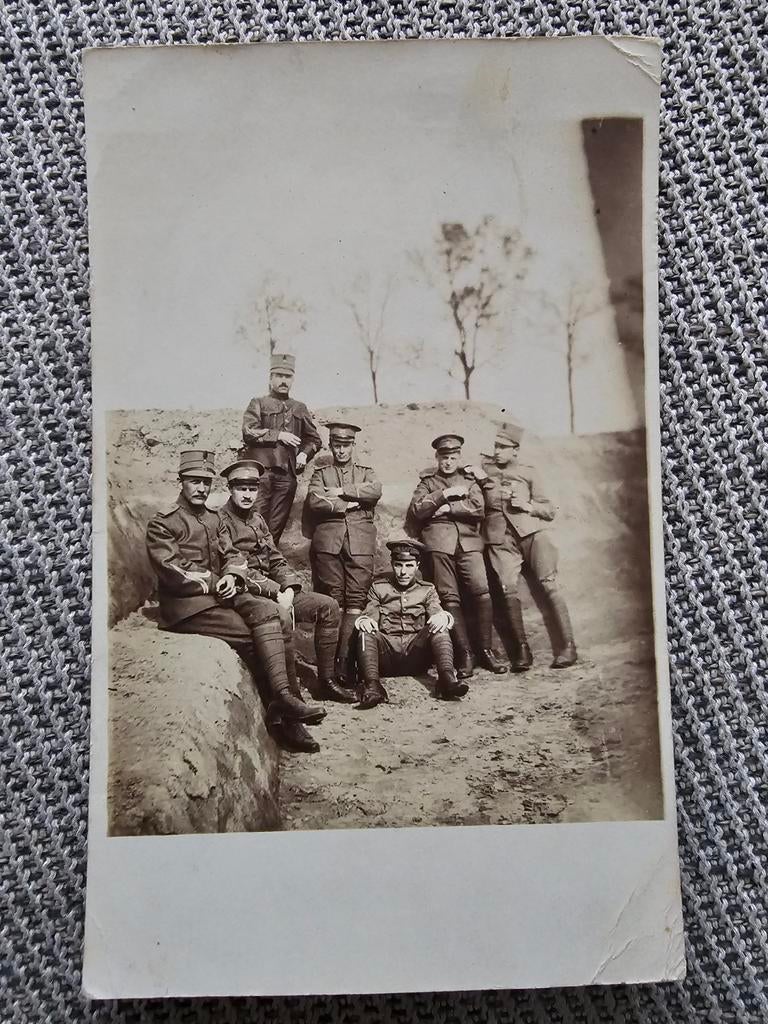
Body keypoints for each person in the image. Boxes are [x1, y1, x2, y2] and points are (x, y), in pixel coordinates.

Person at [145, 449, 326, 754]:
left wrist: (233, 576)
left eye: (205, 481)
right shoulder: (164, 523)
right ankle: (285, 713)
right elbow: (174, 570)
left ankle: (287, 700)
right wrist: (219, 581)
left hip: (220, 596)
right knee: (258, 636)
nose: (201, 488)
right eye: (194, 481)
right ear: (181, 482)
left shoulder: (214, 520)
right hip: (188, 608)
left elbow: (233, 555)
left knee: (273, 613)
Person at [217, 457, 352, 707]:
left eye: (252, 489)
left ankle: (327, 681)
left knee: (329, 606)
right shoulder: (220, 522)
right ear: (230, 489)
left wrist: (289, 586)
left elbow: (276, 559)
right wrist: (276, 591)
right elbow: (235, 566)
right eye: (241, 489)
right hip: (249, 592)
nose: (247, 495)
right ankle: (291, 695)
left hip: (276, 589)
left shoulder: (258, 519)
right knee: (279, 616)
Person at [407, 433, 508, 677]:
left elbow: (479, 508)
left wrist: (446, 509)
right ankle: (465, 655)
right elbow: (418, 509)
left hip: (469, 544)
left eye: (453, 457)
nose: (448, 462)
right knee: (449, 596)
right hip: (439, 545)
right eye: (444, 457)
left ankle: (485, 650)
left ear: (459, 456)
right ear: (437, 457)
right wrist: (445, 495)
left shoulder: (469, 479)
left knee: (482, 592)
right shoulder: (428, 482)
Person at [481, 421, 577, 668]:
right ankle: (522, 651)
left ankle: (568, 646)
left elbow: (549, 510)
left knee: (549, 585)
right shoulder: (484, 471)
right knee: (507, 589)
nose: (497, 451)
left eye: (503, 447)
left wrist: (527, 506)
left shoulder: (528, 472)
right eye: (495, 446)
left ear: (515, 450)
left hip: (533, 535)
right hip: (501, 540)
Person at [303, 422, 382, 699]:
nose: (342, 450)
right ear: (331, 446)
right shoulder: (321, 473)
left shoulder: (366, 472)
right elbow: (314, 500)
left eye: (346, 445)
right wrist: (346, 503)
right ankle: (329, 670)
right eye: (337, 445)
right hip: (329, 543)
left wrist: (340, 491)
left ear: (353, 446)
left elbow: (375, 490)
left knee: (356, 601)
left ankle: (346, 665)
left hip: (360, 541)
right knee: (333, 600)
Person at [354, 537, 468, 708]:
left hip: (416, 657)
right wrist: (365, 620)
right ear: (392, 564)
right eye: (399, 565)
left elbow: (435, 610)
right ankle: (373, 686)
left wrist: (442, 616)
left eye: (409, 566)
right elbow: (370, 615)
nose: (403, 572)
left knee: (440, 625)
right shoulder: (379, 588)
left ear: (417, 566)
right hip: (387, 657)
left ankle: (447, 679)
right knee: (365, 632)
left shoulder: (427, 590)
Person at [241, 352, 323, 543]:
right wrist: (278, 435)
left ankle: (267, 567)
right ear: (270, 378)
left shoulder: (299, 407)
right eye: (279, 376)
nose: (283, 381)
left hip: (287, 477)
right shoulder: (258, 403)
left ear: (293, 379)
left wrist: (304, 454)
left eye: (287, 377)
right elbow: (248, 431)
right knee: (254, 522)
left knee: (276, 527)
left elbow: (314, 439)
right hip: (261, 474)